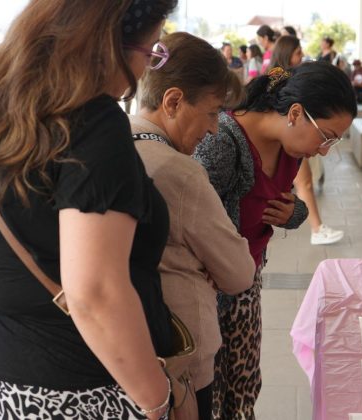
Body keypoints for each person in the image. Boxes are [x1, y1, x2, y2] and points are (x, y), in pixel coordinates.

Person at [0, 1, 180, 418]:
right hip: (66, 383)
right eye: (150, 51)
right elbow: (94, 292)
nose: (144, 71)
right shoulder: (93, 121)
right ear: (108, 44)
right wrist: (156, 397)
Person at [193, 61, 356, 419]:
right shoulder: (222, 144)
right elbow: (189, 223)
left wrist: (295, 213)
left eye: (333, 141)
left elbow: (285, 204)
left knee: (244, 386)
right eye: (326, 136)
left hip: (246, 279)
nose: (325, 150)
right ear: (295, 113)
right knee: (210, 392)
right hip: (205, 291)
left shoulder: (290, 149)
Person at [131, 32, 254, 420]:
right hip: (180, 351)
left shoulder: (113, 145)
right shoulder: (179, 171)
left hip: (126, 351)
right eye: (213, 112)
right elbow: (238, 272)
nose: (215, 128)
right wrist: (205, 267)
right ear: (173, 101)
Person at [271, 35, 344, 245]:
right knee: (304, 182)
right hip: (289, 141)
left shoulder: (281, 75)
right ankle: (317, 228)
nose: (301, 56)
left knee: (304, 182)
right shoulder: (281, 77)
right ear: (286, 53)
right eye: (298, 52)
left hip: (289, 140)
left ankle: (317, 227)